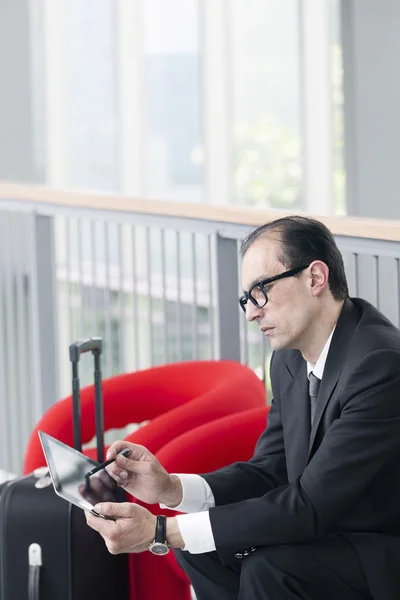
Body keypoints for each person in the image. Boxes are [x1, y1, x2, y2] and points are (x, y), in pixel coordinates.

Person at [86, 216, 400, 600]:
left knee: (270, 568)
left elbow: (310, 506)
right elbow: (271, 469)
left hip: (380, 547)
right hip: (330, 531)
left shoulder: (380, 364)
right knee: (202, 551)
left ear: (315, 278)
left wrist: (160, 531)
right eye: (246, 299)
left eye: (261, 291)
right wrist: (170, 489)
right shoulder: (289, 360)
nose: (252, 312)